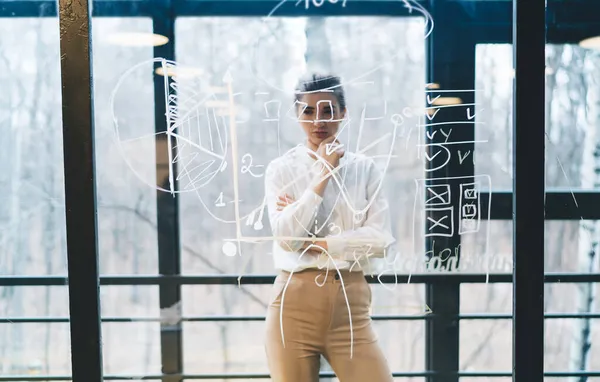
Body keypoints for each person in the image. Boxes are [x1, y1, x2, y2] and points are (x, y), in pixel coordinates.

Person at [263, 73, 395, 382]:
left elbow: (380, 239)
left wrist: (320, 245)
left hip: (351, 305)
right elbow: (286, 238)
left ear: (343, 113)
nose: (318, 120)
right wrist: (321, 177)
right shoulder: (281, 169)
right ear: (297, 115)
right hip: (293, 305)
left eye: (328, 110)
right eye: (308, 111)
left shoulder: (365, 168)